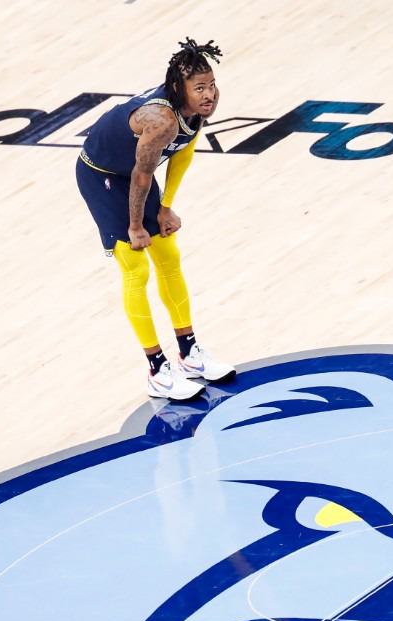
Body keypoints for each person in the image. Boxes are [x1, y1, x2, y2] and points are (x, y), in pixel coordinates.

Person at [76, 38, 235, 400]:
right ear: (179, 89)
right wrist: (135, 226)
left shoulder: (194, 110)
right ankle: (157, 371)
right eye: (200, 88)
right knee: (136, 268)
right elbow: (140, 177)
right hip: (103, 176)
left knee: (169, 256)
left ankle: (189, 353)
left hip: (135, 176)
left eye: (211, 85)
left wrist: (165, 207)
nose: (209, 94)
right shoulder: (160, 120)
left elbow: (183, 153)